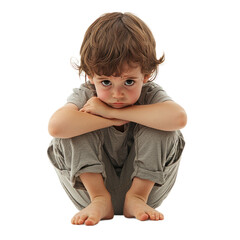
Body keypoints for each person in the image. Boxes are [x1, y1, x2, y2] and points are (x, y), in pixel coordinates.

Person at [47, 12, 187, 226]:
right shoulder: (86, 96)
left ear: (146, 75)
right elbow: (56, 126)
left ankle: (136, 196)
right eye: (105, 82)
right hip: (89, 194)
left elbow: (178, 118)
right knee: (72, 125)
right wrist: (107, 119)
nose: (117, 94)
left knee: (164, 123)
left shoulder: (150, 95)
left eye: (129, 82)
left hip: (149, 193)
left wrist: (113, 113)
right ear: (90, 76)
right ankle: (100, 198)